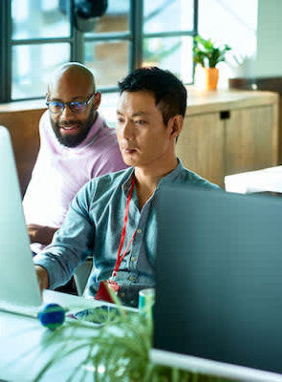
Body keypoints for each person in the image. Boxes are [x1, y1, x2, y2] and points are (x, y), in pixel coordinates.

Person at [33, 66, 220, 307]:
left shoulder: (208, 203)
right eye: (120, 120)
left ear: (173, 126)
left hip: (160, 332)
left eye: (139, 122)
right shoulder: (95, 193)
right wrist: (39, 272)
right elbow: (64, 251)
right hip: (94, 324)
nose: (125, 134)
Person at [22, 63, 127, 253]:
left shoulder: (112, 153)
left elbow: (108, 238)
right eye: (56, 104)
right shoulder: (47, 122)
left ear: (96, 101)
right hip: (20, 243)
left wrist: (39, 234)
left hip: (61, 262)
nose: (66, 116)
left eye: (77, 105)